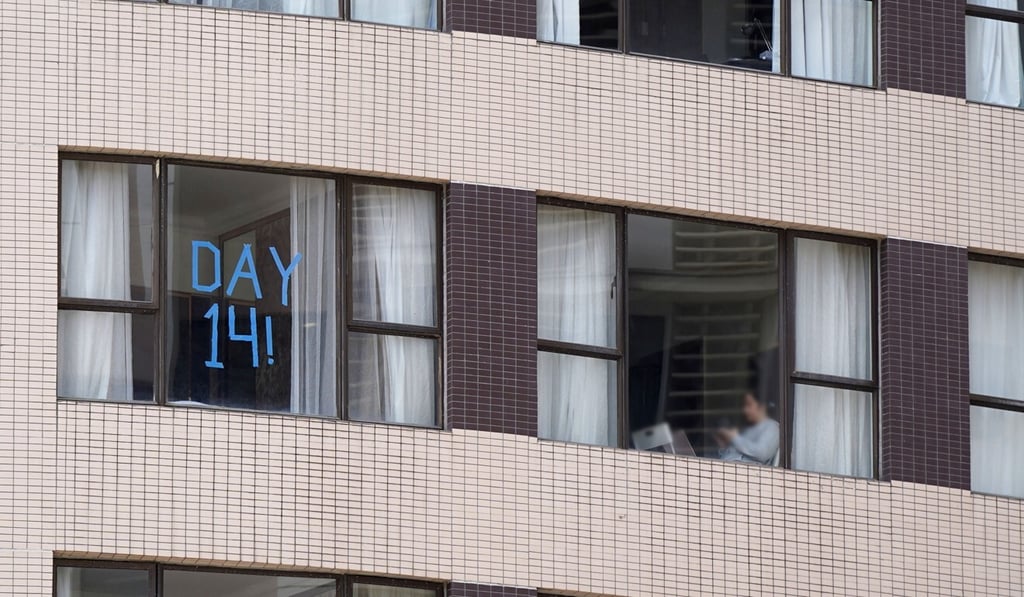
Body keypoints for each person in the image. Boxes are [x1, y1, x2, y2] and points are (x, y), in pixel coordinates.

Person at [715, 392, 779, 465]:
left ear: (762, 406)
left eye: (749, 405)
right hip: (727, 468)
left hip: (744, 471)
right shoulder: (748, 429)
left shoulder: (772, 427)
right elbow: (731, 456)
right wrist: (724, 446)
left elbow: (762, 453)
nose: (745, 410)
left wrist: (734, 437)